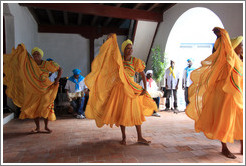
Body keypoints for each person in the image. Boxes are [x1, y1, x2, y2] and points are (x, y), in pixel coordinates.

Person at [84, 34, 157, 145]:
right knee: (121, 113)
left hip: (132, 90)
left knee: (136, 114)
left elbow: (142, 74)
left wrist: (144, 88)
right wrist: (111, 40)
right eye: (127, 48)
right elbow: (111, 54)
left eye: (131, 48)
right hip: (120, 90)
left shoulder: (135, 61)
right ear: (123, 50)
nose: (130, 50)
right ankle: (124, 137)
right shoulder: (119, 60)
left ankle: (140, 137)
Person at [186, 27, 243, 159]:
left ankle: (242, 147)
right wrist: (222, 35)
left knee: (241, 121)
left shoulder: (239, 59)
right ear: (233, 47)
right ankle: (224, 147)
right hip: (225, 95)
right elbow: (223, 46)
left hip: (237, 96)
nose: (242, 47)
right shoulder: (229, 57)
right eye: (240, 45)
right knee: (225, 121)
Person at [3, 45, 62, 133]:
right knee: (34, 109)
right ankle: (37, 127)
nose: (36, 55)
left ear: (41, 55)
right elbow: (21, 70)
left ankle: (46, 127)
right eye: (34, 54)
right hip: (33, 91)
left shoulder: (47, 64)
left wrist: (57, 80)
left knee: (45, 108)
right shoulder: (29, 65)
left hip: (45, 90)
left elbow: (59, 69)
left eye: (38, 54)